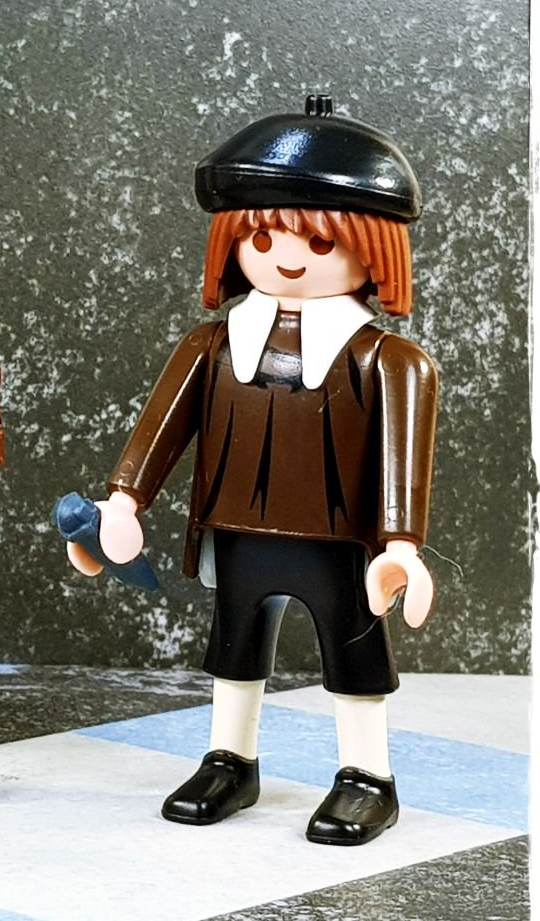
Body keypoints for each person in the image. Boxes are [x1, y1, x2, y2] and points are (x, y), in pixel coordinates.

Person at [67, 96, 439, 846]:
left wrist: (401, 545)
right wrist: (123, 502)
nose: (287, 257)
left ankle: (368, 776)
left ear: (373, 249)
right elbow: (161, 429)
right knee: (234, 646)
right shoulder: (212, 346)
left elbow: (404, 455)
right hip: (234, 526)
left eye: (319, 240)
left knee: (354, 651)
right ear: (232, 243)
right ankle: (230, 761)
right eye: (262, 236)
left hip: (340, 538)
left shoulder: (389, 360)